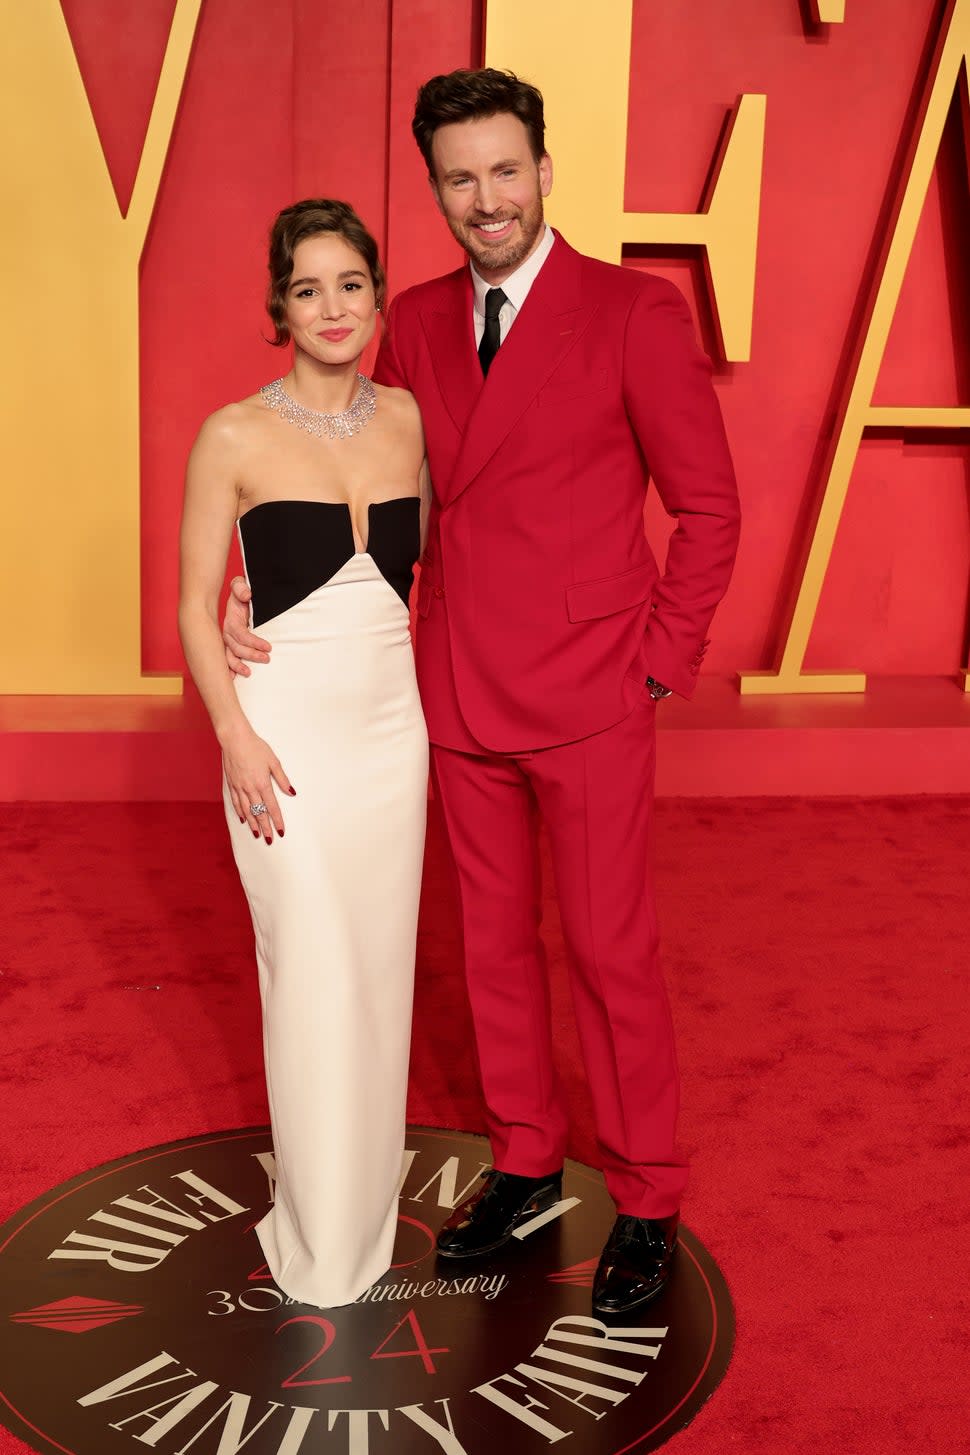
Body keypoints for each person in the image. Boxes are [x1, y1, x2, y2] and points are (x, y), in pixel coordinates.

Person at [225, 70, 741, 1315]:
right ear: (438, 191)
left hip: (594, 689)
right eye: (459, 178)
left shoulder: (631, 310)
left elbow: (710, 509)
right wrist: (256, 580)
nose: (485, 198)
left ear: (545, 171)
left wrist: (658, 661)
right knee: (493, 950)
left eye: (505, 170)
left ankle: (650, 1191)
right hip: (449, 688)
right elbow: (350, 459)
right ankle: (520, 1157)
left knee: (613, 950)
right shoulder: (407, 317)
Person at [179, 199, 429, 1308]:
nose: (333, 308)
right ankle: (321, 1248)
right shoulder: (232, 434)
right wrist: (234, 732)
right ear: (277, 303)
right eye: (308, 288)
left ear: (377, 297)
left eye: (351, 286)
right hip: (280, 739)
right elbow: (193, 605)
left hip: (392, 735)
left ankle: (359, 1224)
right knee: (312, 974)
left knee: (377, 976)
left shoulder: (411, 419)